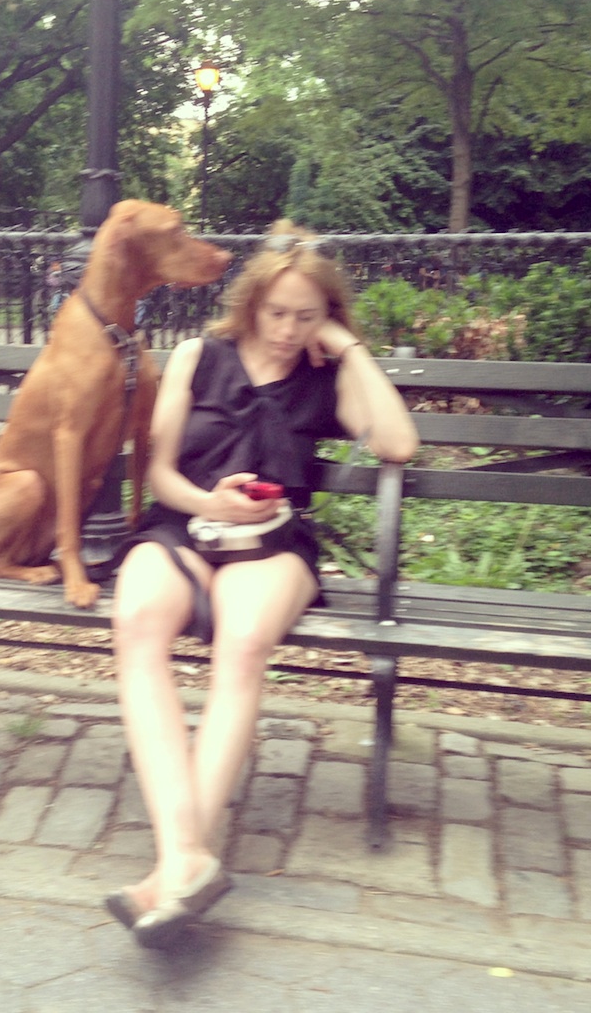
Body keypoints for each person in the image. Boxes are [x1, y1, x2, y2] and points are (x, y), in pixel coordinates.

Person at [106, 220, 420, 949]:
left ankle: (176, 864)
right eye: (277, 312)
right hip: (185, 524)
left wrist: (347, 346)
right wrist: (207, 503)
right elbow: (158, 474)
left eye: (306, 316)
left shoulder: (327, 375)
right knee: (137, 622)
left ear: (326, 315)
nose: (287, 330)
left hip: (274, 545)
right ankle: (187, 859)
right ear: (250, 303)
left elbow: (399, 443)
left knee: (243, 644)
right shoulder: (198, 356)